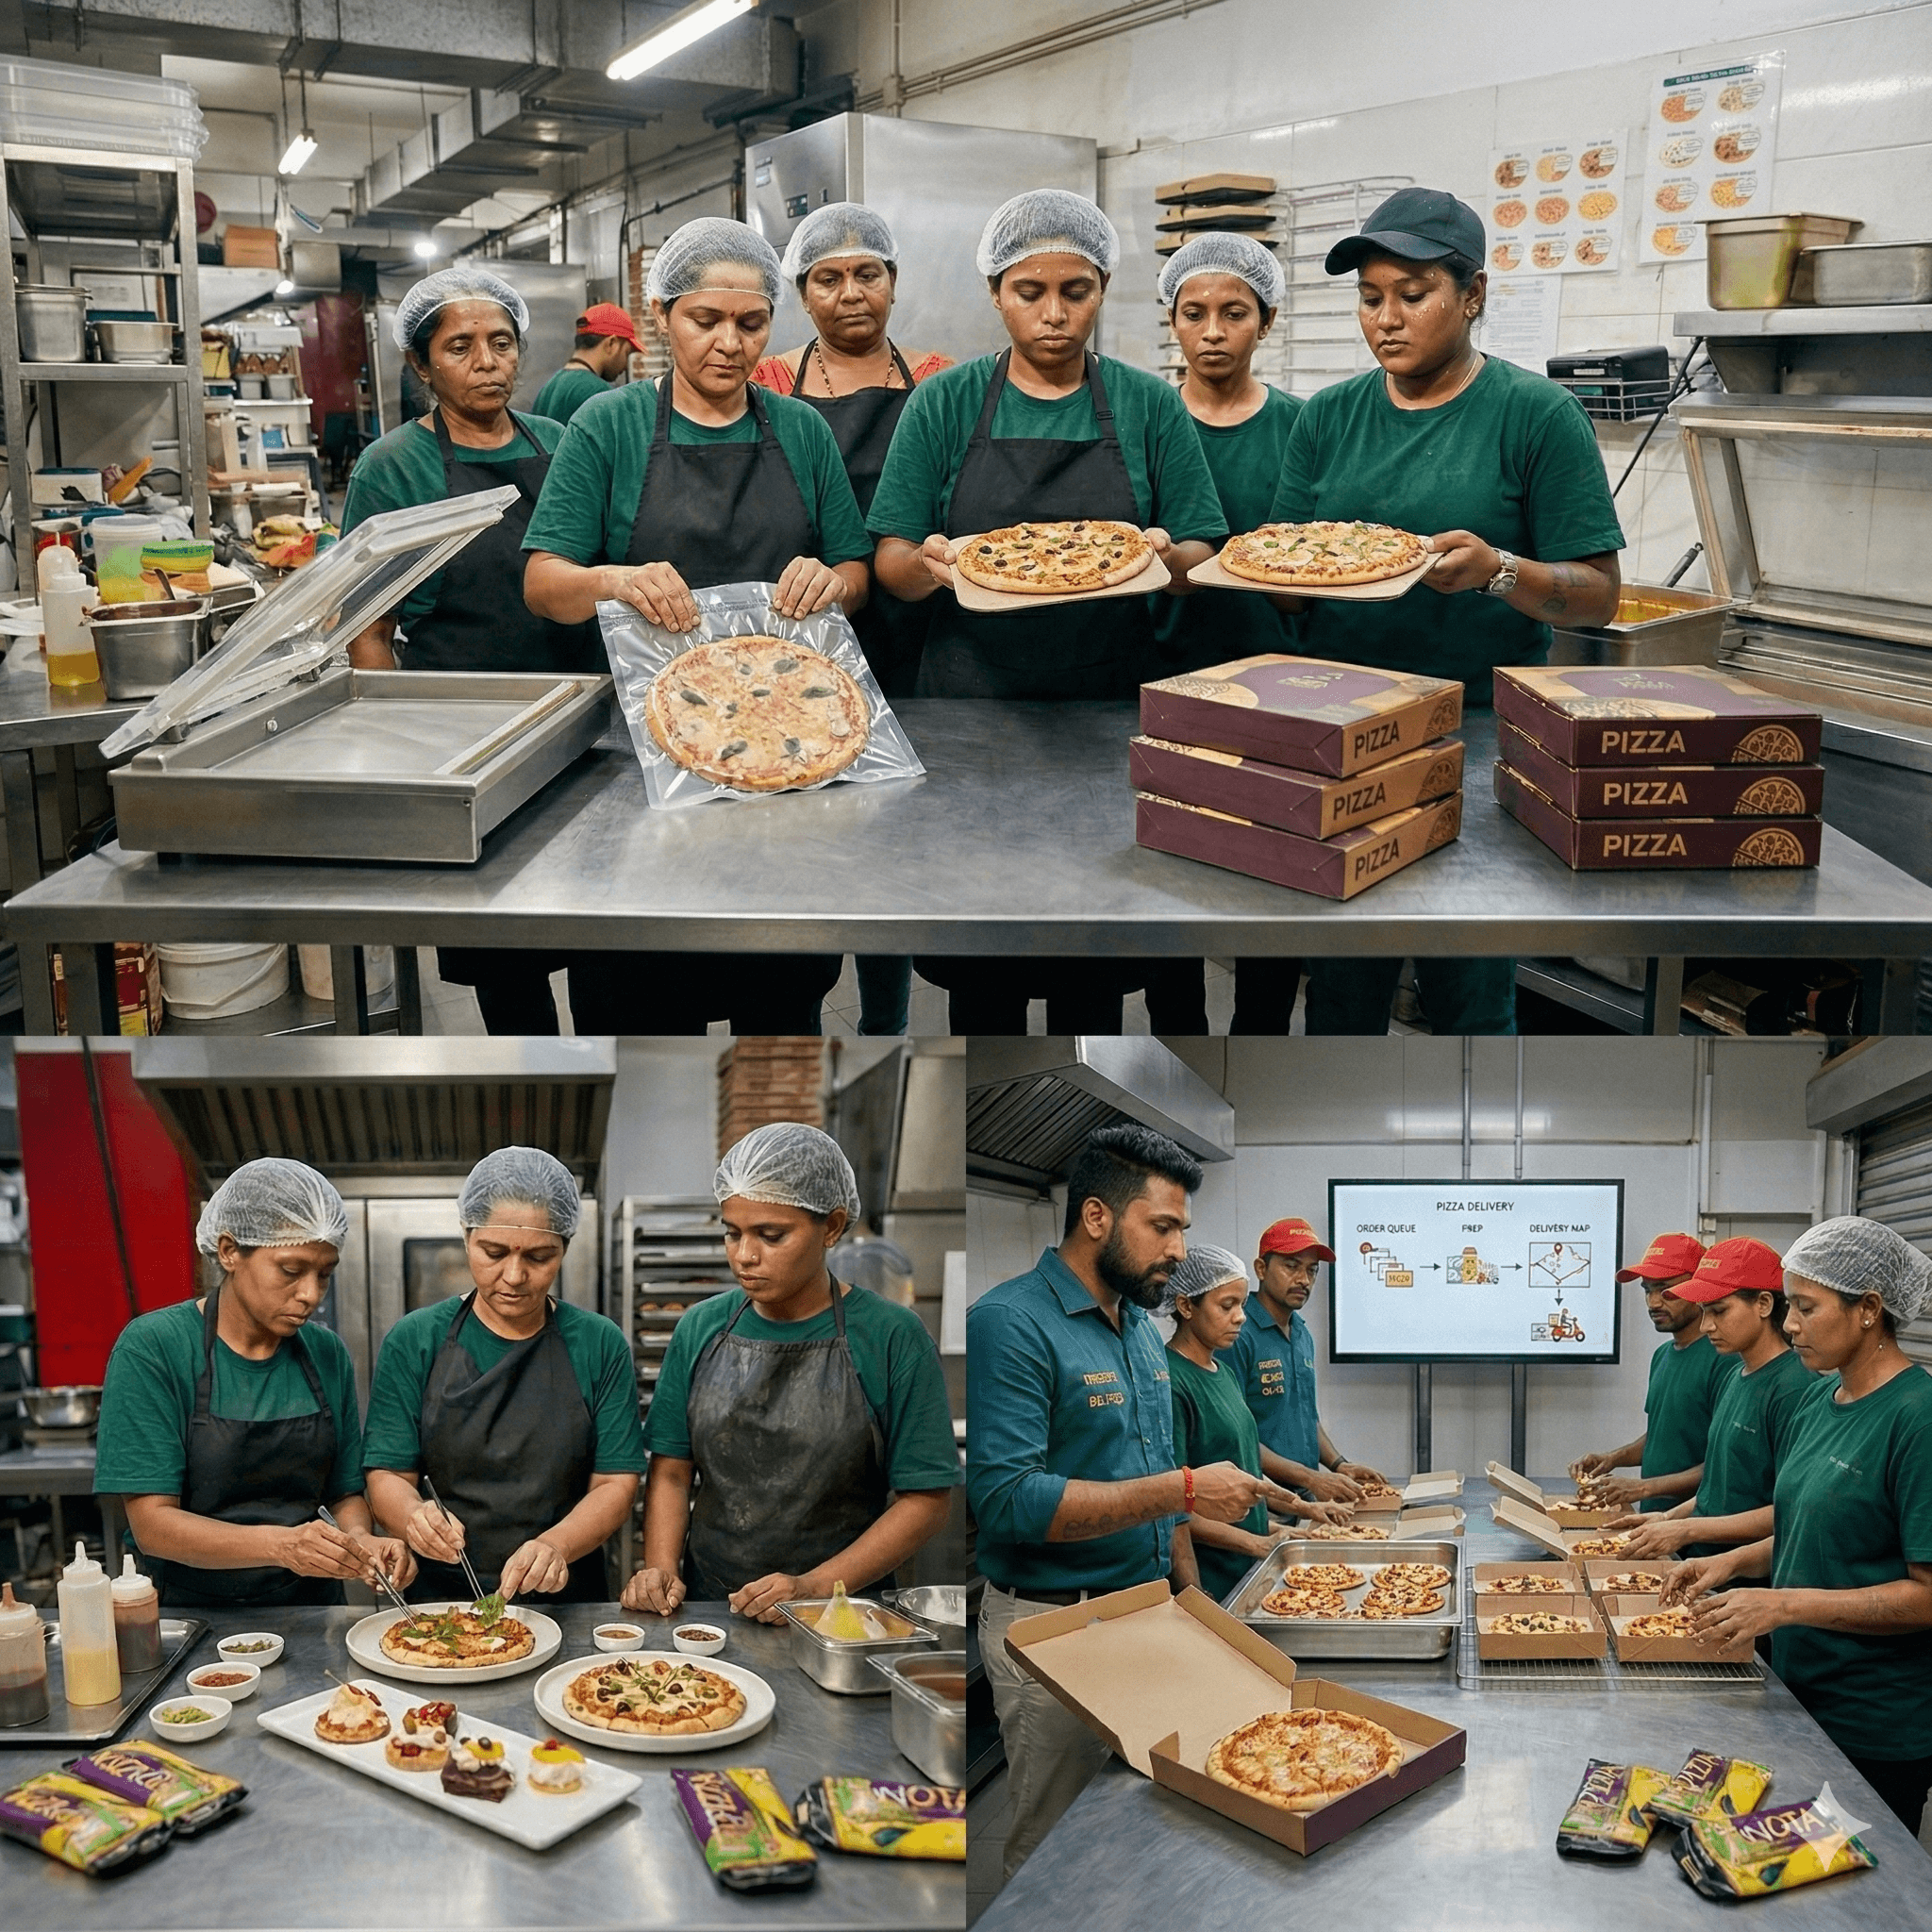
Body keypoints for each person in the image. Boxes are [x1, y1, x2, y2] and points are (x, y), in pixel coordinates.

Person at [1265, 188, 1626, 1035]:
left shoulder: (1536, 415)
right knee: (1343, 992)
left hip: (1475, 740)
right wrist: (1255, 577)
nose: (1387, 319)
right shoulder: (1327, 418)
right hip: (1340, 738)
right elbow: (1281, 558)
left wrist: (1498, 571)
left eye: (1413, 293)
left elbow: (1600, 595)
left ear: (1473, 296)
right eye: (1369, 297)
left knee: (1469, 985)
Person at [868, 189, 1228, 1033]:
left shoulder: (1147, 404)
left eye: (1077, 292)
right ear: (995, 292)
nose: (1055, 314)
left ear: (1103, 288)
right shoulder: (945, 403)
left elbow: (1204, 548)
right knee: (981, 976)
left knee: (1093, 964)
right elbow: (891, 558)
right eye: (1031, 293)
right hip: (972, 712)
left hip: (1106, 715)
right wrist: (937, 567)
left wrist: (1155, 561)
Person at [523, 217, 872, 1034]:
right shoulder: (608, 427)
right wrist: (612, 578)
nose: (728, 343)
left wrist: (832, 581)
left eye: (750, 324)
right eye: (703, 320)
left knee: (780, 1014)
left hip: (788, 763)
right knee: (643, 1014)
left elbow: (855, 571)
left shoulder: (800, 431)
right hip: (643, 762)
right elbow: (544, 583)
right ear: (661, 316)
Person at [968, 1124, 1265, 1878]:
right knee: (1056, 1851)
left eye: (1182, 1230)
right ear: (1097, 1217)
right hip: (1054, 1623)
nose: (1177, 1250)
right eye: (1162, 1227)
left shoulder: (1138, 1330)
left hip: (1146, 1610)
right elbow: (1004, 1500)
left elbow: (1157, 1480)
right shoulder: (1012, 1322)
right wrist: (1186, 1488)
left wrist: (1194, 1605)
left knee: (1143, 1823)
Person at [340, 267, 604, 1035]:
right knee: (505, 952)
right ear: (422, 366)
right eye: (460, 347)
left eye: (501, 342)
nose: (487, 360)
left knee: (600, 935)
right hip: (465, 733)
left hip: (580, 717)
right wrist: (400, 756)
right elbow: (370, 627)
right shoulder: (392, 467)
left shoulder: (561, 444)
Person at [755, 201, 955, 1037]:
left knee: (894, 840)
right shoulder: (771, 383)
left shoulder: (940, 379)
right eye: (828, 280)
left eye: (866, 274)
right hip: (808, 626)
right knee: (803, 833)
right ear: (803, 294)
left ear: (893, 282)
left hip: (913, 632)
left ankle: (886, 1020)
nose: (849, 294)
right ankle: (797, 992)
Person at [621, 1124, 957, 1623]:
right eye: (732, 1233)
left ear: (833, 1227)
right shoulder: (700, 1327)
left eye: (771, 1235)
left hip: (840, 1615)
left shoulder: (892, 1336)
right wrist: (661, 1567)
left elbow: (926, 1499)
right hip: (710, 1609)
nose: (744, 1256)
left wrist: (814, 1586)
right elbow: (671, 1471)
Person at [1668, 1219, 1932, 1837]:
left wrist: (1783, 1604)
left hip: (1873, 1723)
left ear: (1869, 1309)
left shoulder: (1916, 1419)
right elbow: (1809, 1531)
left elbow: (1926, 1594)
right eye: (1790, 1307)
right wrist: (1729, 1563)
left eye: (1806, 1308)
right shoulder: (1820, 1401)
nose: (1789, 1325)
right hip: (1796, 1694)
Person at [97, 1159, 413, 1608]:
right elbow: (153, 1526)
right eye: (291, 1270)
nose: (311, 1294)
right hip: (189, 1617)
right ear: (229, 1251)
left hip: (311, 1612)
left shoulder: (325, 1353)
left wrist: (361, 1540)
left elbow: (343, 1492)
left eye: (324, 1273)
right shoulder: (154, 1348)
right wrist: (283, 1546)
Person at [1142, 232, 1307, 1036]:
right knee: (1170, 866)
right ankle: (1179, 1033)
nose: (1212, 331)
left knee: (1269, 870)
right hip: (1160, 670)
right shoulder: (1140, 420)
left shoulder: (1302, 428)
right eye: (1194, 313)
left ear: (1265, 321)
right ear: (1170, 321)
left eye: (1233, 313)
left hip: (1276, 685)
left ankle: (1262, 1034)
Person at [362, 1149, 645, 1603]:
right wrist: (413, 1515)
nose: (514, 1276)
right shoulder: (415, 1340)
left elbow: (615, 1482)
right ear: (466, 1237)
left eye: (539, 1257)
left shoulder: (598, 1343)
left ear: (565, 1249)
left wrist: (557, 1545)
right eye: (493, 1252)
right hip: (440, 1605)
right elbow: (388, 1475)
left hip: (567, 1599)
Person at [1160, 1245, 1353, 1602]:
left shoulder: (1224, 1373)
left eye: (1240, 1306)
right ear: (1186, 1306)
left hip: (1247, 1570)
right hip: (1212, 1579)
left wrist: (1295, 1515)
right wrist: (1257, 1545)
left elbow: (1243, 1475)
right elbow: (1174, 1510)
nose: (1240, 1318)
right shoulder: (1172, 1381)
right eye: (1226, 1306)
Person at [1615, 1238, 1815, 1562]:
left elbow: (1789, 1511)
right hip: (1704, 1561)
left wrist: (1688, 1529)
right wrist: (1667, 1519)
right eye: (1705, 1311)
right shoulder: (1738, 1378)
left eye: (1719, 1311)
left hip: (1746, 1576)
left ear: (1764, 1305)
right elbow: (1718, 1485)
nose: (1707, 1325)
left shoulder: (1794, 1388)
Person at [1224, 1217, 1385, 1501]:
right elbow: (1234, 1437)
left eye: (1312, 1270)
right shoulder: (1237, 1333)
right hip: (1260, 1502)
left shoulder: (1301, 1333)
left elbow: (1307, 1417)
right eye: (1291, 1266)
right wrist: (1313, 1477)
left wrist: (1338, 1465)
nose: (1304, 1280)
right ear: (1261, 1269)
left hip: (1305, 1499)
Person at [1573, 1231, 1732, 1513]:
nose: (1654, 1303)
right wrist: (1613, 1458)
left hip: (1696, 1526)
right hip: (1654, 1522)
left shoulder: (1724, 1360)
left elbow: (1724, 1464)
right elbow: (1664, 1437)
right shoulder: (1662, 1357)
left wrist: (1643, 1487)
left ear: (1698, 1289)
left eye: (1666, 1291)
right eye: (1648, 1290)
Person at [531, 303, 641, 425]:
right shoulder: (599, 392)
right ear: (611, 343)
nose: (625, 366)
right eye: (627, 353)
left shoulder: (549, 388)